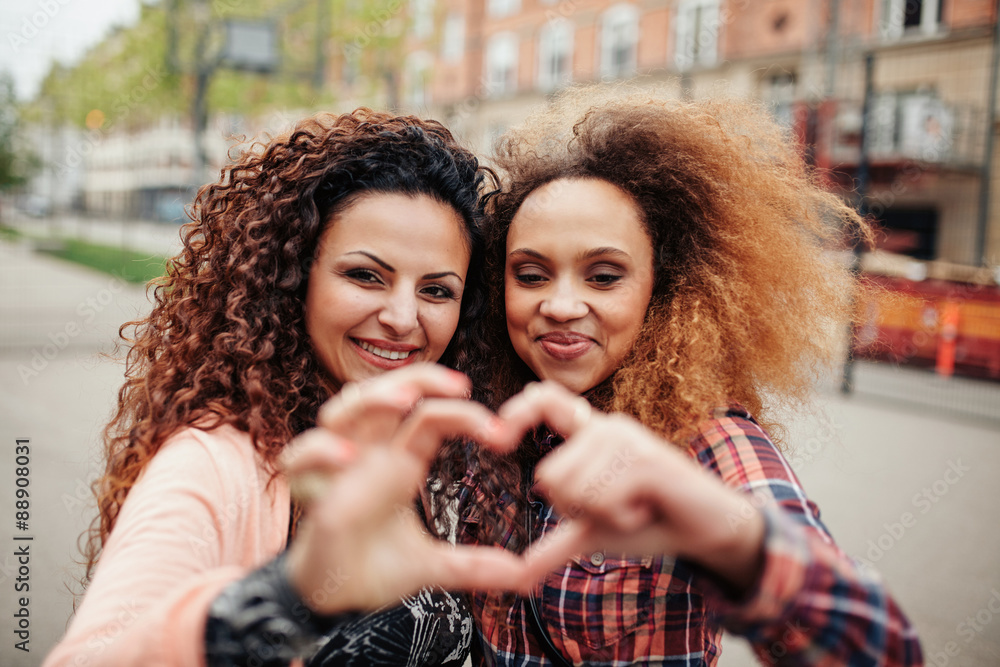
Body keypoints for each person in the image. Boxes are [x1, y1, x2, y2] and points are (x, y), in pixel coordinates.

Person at [417, 87, 924, 665]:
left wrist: (734, 542)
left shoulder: (704, 440)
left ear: (665, 289)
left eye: (604, 276)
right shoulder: (494, 412)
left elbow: (880, 649)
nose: (559, 304)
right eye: (531, 274)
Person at [43, 109, 551, 667]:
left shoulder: (443, 455)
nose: (403, 318)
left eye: (436, 290)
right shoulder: (216, 462)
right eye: (365, 276)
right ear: (292, 277)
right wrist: (288, 596)